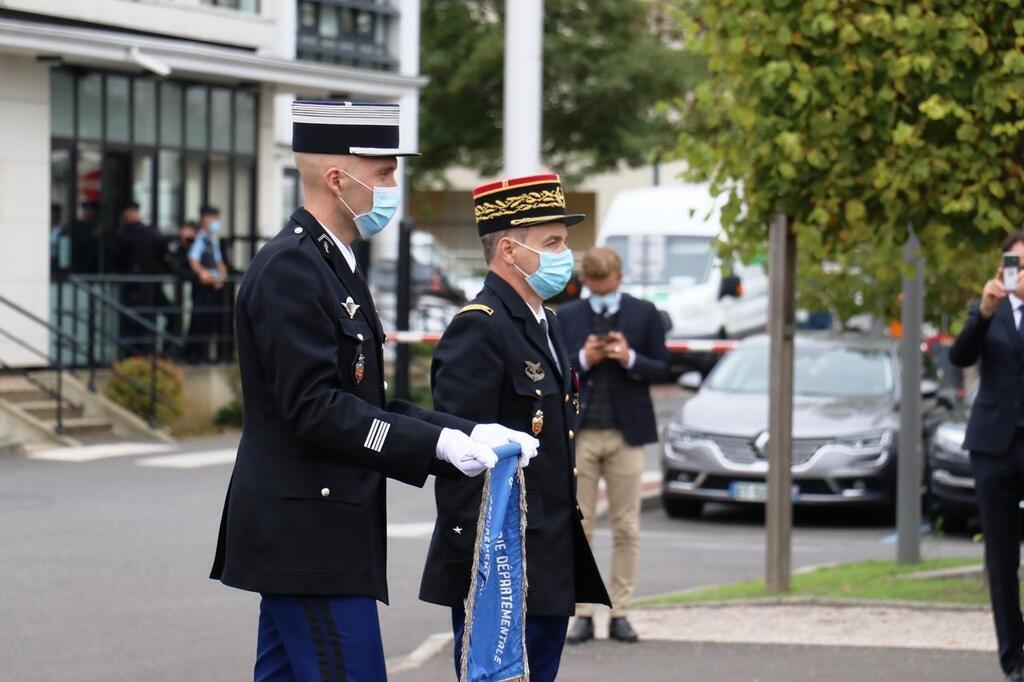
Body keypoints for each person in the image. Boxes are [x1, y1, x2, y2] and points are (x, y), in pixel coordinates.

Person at [209, 99, 538, 682]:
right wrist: (432, 448)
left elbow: (365, 404)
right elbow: (314, 408)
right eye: (384, 174)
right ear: (339, 179)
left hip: (324, 531)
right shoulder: (292, 266)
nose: (392, 187)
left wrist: (464, 431)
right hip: (306, 536)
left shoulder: (335, 264)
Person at [421, 173, 611, 682]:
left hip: (548, 554)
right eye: (552, 243)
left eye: (564, 242)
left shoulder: (545, 321)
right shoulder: (479, 328)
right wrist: (481, 571)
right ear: (509, 249)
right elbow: (463, 460)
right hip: (503, 565)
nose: (564, 254)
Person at [558, 246, 669, 644]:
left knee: (627, 525)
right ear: (585, 282)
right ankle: (584, 613)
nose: (601, 291)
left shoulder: (644, 313)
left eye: (607, 285)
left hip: (627, 432)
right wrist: (584, 359)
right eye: (594, 285)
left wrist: (630, 357)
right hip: (582, 432)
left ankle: (621, 611)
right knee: (581, 525)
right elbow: (556, 370)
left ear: (620, 278)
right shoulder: (568, 316)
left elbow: (664, 366)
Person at [949, 232, 1024, 682]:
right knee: (1001, 558)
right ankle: (1014, 658)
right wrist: (984, 312)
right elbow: (961, 354)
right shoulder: (988, 310)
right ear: (1003, 269)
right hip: (994, 445)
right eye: (1017, 263)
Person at [112, 201, 168, 356]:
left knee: (138, 321)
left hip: (138, 285)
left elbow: (116, 256)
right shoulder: (149, 232)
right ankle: (140, 352)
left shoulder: (129, 234)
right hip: (142, 285)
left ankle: (137, 353)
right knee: (142, 320)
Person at [184, 207, 228, 363]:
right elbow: (193, 260)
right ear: (204, 219)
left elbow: (219, 262)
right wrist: (204, 273)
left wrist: (221, 276)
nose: (216, 222)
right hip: (202, 287)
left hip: (213, 286)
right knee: (199, 321)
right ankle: (194, 355)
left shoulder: (212, 239)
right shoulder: (200, 238)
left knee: (210, 322)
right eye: (213, 218)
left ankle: (206, 355)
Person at [163, 221, 198, 349]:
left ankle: (178, 350)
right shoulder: (174, 244)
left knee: (182, 320)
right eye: (188, 230)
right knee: (173, 318)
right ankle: (169, 351)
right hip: (170, 286)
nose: (190, 234)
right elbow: (173, 265)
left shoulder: (192, 246)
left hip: (184, 288)